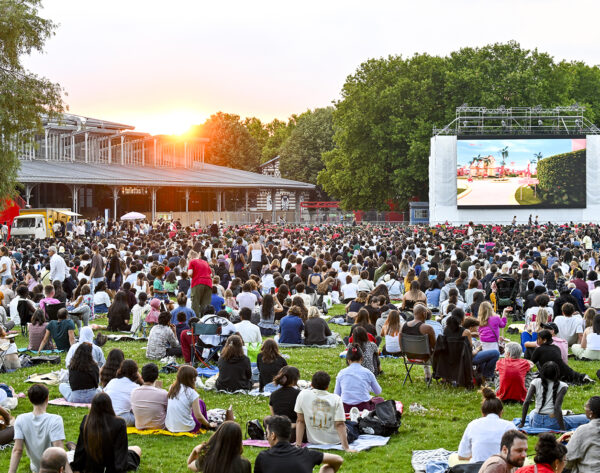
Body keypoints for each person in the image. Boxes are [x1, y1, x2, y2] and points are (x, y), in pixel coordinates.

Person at [70, 392, 141, 473]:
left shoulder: (87, 420)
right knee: (136, 449)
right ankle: (72, 449)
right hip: (111, 467)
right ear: (109, 405)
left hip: (90, 467)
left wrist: (76, 468)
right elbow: (120, 452)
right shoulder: (119, 423)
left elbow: (81, 448)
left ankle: (72, 449)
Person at [8, 384, 69, 473]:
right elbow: (59, 450)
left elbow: (17, 450)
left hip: (36, 468)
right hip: (55, 469)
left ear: (30, 400)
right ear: (47, 398)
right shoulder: (55, 420)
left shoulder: (20, 419)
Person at [255, 415, 344, 473]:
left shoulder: (263, 457)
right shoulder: (307, 454)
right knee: (328, 469)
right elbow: (338, 459)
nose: (266, 437)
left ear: (273, 435)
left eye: (267, 433)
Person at [294, 371, 356, 452]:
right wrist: (346, 448)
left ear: (311, 385)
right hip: (336, 441)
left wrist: (298, 445)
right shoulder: (336, 399)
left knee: (349, 423)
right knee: (353, 426)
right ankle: (355, 420)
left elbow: (300, 421)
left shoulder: (303, 395)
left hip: (313, 440)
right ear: (327, 387)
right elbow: (340, 425)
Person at [519, 361, 590, 431]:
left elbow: (526, 402)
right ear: (557, 373)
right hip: (553, 423)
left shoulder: (535, 382)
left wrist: (522, 423)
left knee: (533, 412)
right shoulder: (563, 386)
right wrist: (562, 428)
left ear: (542, 372)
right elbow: (556, 408)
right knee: (585, 418)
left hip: (536, 423)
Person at [454, 387, 516, 464]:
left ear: (482, 413)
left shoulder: (473, 425)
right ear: (501, 412)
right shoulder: (509, 426)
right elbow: (516, 455)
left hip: (476, 469)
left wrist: (475, 456)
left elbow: (462, 455)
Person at [165, 365, 216, 433]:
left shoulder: (172, 388)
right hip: (187, 428)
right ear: (192, 379)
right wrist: (208, 425)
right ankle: (206, 425)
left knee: (199, 402)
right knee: (201, 403)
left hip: (170, 426)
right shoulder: (192, 393)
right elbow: (198, 416)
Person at [186, 421, 251, 473]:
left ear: (218, 437)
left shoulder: (207, 459)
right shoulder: (245, 464)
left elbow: (190, 466)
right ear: (238, 441)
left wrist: (194, 450)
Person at [334, 343, 382, 413]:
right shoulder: (368, 372)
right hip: (364, 407)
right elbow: (378, 391)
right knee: (379, 400)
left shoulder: (341, 373)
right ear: (362, 359)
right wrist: (368, 388)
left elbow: (336, 395)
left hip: (346, 408)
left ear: (348, 360)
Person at [560, 396, 600, 473]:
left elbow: (568, 457)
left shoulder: (583, 430)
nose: (584, 408)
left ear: (591, 413)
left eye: (586, 406)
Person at [401, 304, 436, 382]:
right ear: (424, 314)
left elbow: (401, 345)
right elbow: (435, 346)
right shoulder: (428, 328)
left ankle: (427, 375)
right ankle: (443, 378)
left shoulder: (403, 326)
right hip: (425, 358)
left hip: (409, 357)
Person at [104, 359, 142, 426]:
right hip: (122, 418)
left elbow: (102, 394)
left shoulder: (113, 381)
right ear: (136, 372)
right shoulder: (135, 387)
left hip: (106, 417)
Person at [130, 363, 168, 430]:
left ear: (141, 376)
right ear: (157, 377)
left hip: (139, 426)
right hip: (159, 427)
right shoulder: (163, 393)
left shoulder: (133, 392)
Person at [188, 251, 213, 317]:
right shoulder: (205, 262)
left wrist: (193, 276)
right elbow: (211, 274)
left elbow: (190, 273)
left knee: (195, 303)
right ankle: (205, 319)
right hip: (208, 283)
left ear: (191, 257)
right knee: (205, 304)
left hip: (197, 282)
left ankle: (195, 320)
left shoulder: (192, 261)